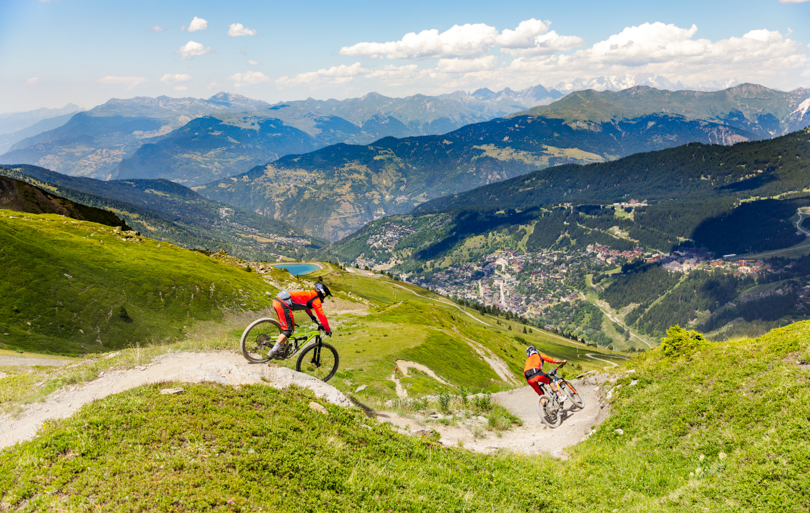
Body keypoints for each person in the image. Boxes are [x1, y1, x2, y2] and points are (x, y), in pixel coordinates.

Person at [270, 282, 333, 359]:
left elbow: (306, 306)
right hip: (283, 304)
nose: (324, 297)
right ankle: (273, 352)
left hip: (277, 301)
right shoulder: (316, 300)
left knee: (286, 327)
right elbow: (322, 316)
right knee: (289, 331)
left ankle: (280, 347)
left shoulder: (310, 294)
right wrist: (327, 330)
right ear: (321, 293)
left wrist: (312, 316)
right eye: (324, 295)